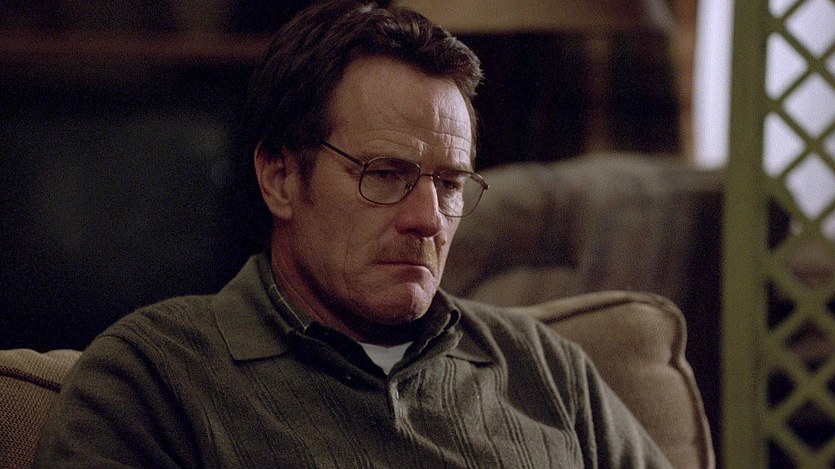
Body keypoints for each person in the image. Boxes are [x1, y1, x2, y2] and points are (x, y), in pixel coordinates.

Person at [36, 1, 672, 467]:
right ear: (280, 178)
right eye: (385, 175)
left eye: (450, 184)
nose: (428, 219)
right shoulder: (153, 379)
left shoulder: (545, 371)